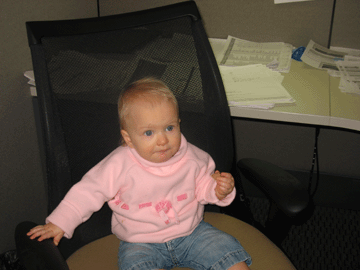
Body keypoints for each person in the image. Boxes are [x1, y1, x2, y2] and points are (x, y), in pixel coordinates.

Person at [28, 77, 252, 270]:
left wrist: (219, 189)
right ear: (128, 138)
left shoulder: (194, 157)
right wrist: (60, 222)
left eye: (169, 128)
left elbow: (203, 187)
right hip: (139, 243)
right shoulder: (119, 164)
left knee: (230, 257)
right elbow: (88, 192)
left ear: (179, 123)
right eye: (148, 132)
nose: (163, 140)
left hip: (193, 232)